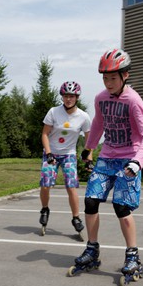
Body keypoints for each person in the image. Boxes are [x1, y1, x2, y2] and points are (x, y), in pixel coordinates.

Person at [70, 49, 143, 286]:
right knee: (90, 201)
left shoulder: (134, 101)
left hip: (129, 159)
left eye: (113, 78)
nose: (108, 83)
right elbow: (98, 125)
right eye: (105, 78)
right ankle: (92, 249)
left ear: (125, 75)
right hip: (107, 157)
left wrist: (138, 162)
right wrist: (88, 149)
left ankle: (132, 255)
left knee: (121, 206)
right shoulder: (101, 99)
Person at [39, 81, 91, 239]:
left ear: (77, 97)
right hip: (52, 153)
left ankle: (76, 218)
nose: (68, 99)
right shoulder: (54, 112)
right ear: (62, 97)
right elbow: (44, 134)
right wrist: (48, 153)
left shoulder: (83, 117)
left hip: (69, 154)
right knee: (46, 185)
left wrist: (88, 157)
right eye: (66, 96)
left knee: (71, 186)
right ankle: (45, 209)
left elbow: (90, 140)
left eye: (72, 96)